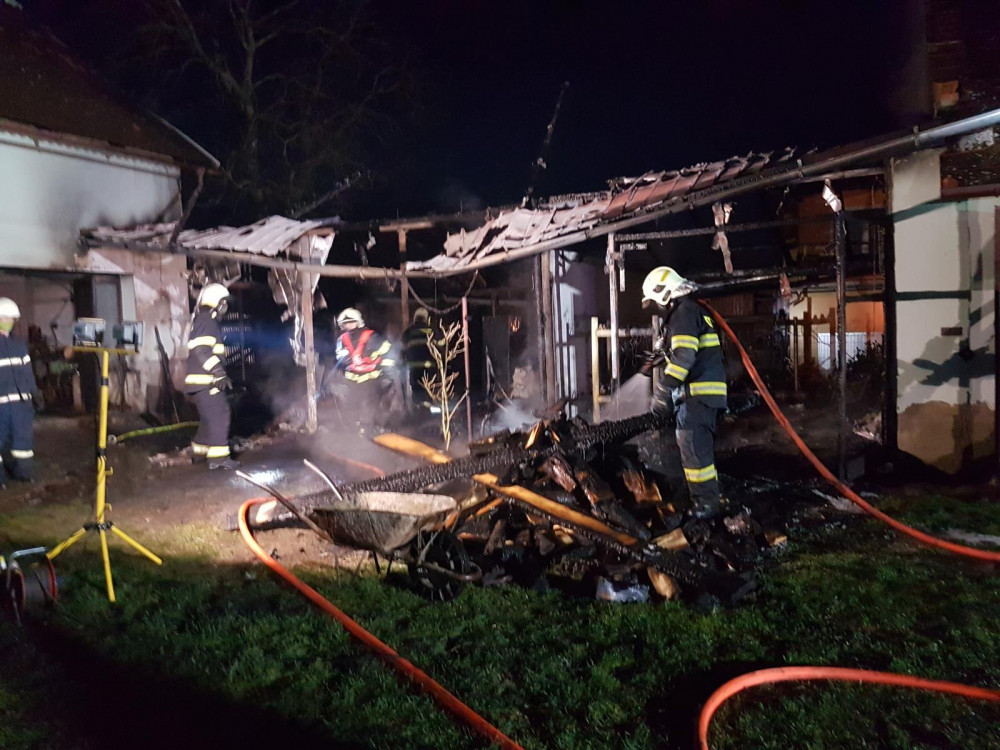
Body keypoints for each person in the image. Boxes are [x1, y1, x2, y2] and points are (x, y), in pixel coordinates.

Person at [640, 266, 727, 520]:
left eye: (655, 301)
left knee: (692, 445)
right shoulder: (689, 312)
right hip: (703, 395)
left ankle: (706, 505)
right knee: (694, 447)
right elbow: (681, 350)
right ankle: (704, 499)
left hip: (698, 395)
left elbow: (684, 357)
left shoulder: (684, 313)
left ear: (665, 293)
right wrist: (656, 359)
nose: (657, 308)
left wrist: (663, 390)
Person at [183, 283, 238, 470]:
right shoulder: (207, 320)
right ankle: (218, 458)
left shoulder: (204, 319)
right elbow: (201, 349)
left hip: (202, 382)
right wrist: (218, 372)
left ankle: (199, 451)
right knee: (220, 414)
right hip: (206, 381)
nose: (225, 306)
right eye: (223, 302)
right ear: (216, 302)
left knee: (209, 417)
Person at [330, 307, 396, 432]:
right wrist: (345, 360)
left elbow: (388, 354)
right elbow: (340, 359)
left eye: (351, 322)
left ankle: (369, 429)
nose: (348, 326)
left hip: (371, 379)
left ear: (358, 322)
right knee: (352, 406)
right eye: (345, 323)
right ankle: (356, 431)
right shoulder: (342, 339)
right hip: (351, 381)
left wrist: (387, 375)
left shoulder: (372, 337)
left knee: (370, 405)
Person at [0, 298, 41, 487]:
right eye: (5, 317)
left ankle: (23, 474)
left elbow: (28, 373)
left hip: (21, 405)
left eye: (11, 318)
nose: (8, 321)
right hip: (1, 405)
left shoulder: (19, 345)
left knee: (23, 443)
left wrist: (35, 393)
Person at [401, 307, 434, 408]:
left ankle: (417, 407)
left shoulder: (409, 331)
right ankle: (427, 407)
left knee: (416, 387)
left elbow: (403, 344)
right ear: (426, 318)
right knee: (428, 387)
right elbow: (441, 343)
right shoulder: (431, 331)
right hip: (428, 365)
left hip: (414, 365)